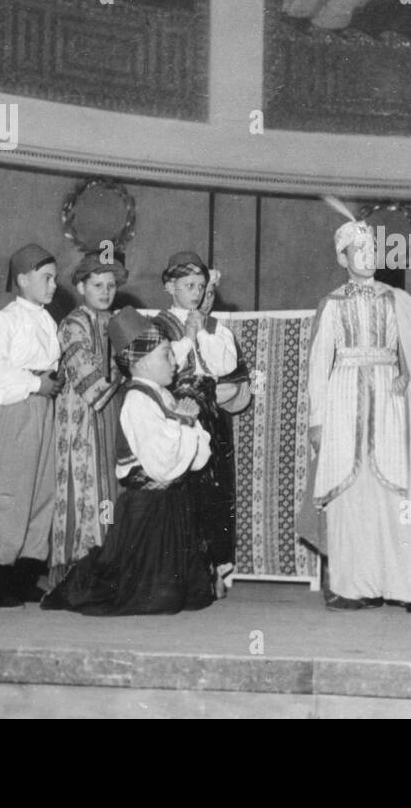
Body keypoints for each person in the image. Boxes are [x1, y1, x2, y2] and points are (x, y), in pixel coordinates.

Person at [298, 217, 411, 615]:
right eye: (360, 250)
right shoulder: (332, 303)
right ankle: (349, 587)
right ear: (343, 257)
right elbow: (319, 364)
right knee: (348, 492)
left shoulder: (395, 298)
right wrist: (317, 420)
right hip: (342, 402)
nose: (369, 256)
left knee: (399, 491)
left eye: (374, 249)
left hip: (389, 401)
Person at [43, 308, 216, 615]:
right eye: (167, 355)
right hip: (145, 513)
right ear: (140, 363)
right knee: (147, 596)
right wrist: (187, 424)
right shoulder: (137, 401)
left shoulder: (164, 396)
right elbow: (163, 466)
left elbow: (200, 458)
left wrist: (185, 425)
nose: (175, 362)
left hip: (170, 509)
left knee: (187, 594)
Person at [0, 244, 62, 607]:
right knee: (9, 490)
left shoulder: (47, 319)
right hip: (15, 407)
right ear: (22, 280)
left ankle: (26, 572)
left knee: (41, 490)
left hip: (43, 409)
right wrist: (37, 382)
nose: (53, 286)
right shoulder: (5, 320)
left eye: (54, 278)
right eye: (46, 278)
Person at [153, 251, 240, 593]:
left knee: (215, 489)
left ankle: (218, 567)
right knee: (184, 489)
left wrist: (202, 332)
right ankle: (184, 570)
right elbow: (159, 366)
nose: (197, 293)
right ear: (169, 286)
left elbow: (225, 364)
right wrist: (188, 337)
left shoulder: (215, 327)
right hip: (178, 413)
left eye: (202, 286)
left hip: (211, 416)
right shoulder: (158, 325)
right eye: (189, 285)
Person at [49, 250, 126, 587]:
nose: (105, 291)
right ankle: (77, 568)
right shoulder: (72, 325)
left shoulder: (118, 321)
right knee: (83, 489)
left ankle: (109, 560)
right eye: (97, 285)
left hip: (115, 415)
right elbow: (91, 381)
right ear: (81, 287)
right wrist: (122, 370)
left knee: (112, 488)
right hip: (81, 420)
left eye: (110, 285)